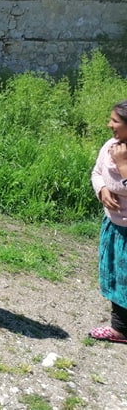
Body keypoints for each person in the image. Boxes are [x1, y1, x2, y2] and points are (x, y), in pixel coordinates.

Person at [89, 100, 127, 344]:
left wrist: (123, 165)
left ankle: (121, 330)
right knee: (115, 274)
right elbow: (96, 172)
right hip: (114, 225)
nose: (109, 125)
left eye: (115, 121)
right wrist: (102, 189)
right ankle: (120, 327)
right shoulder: (109, 146)